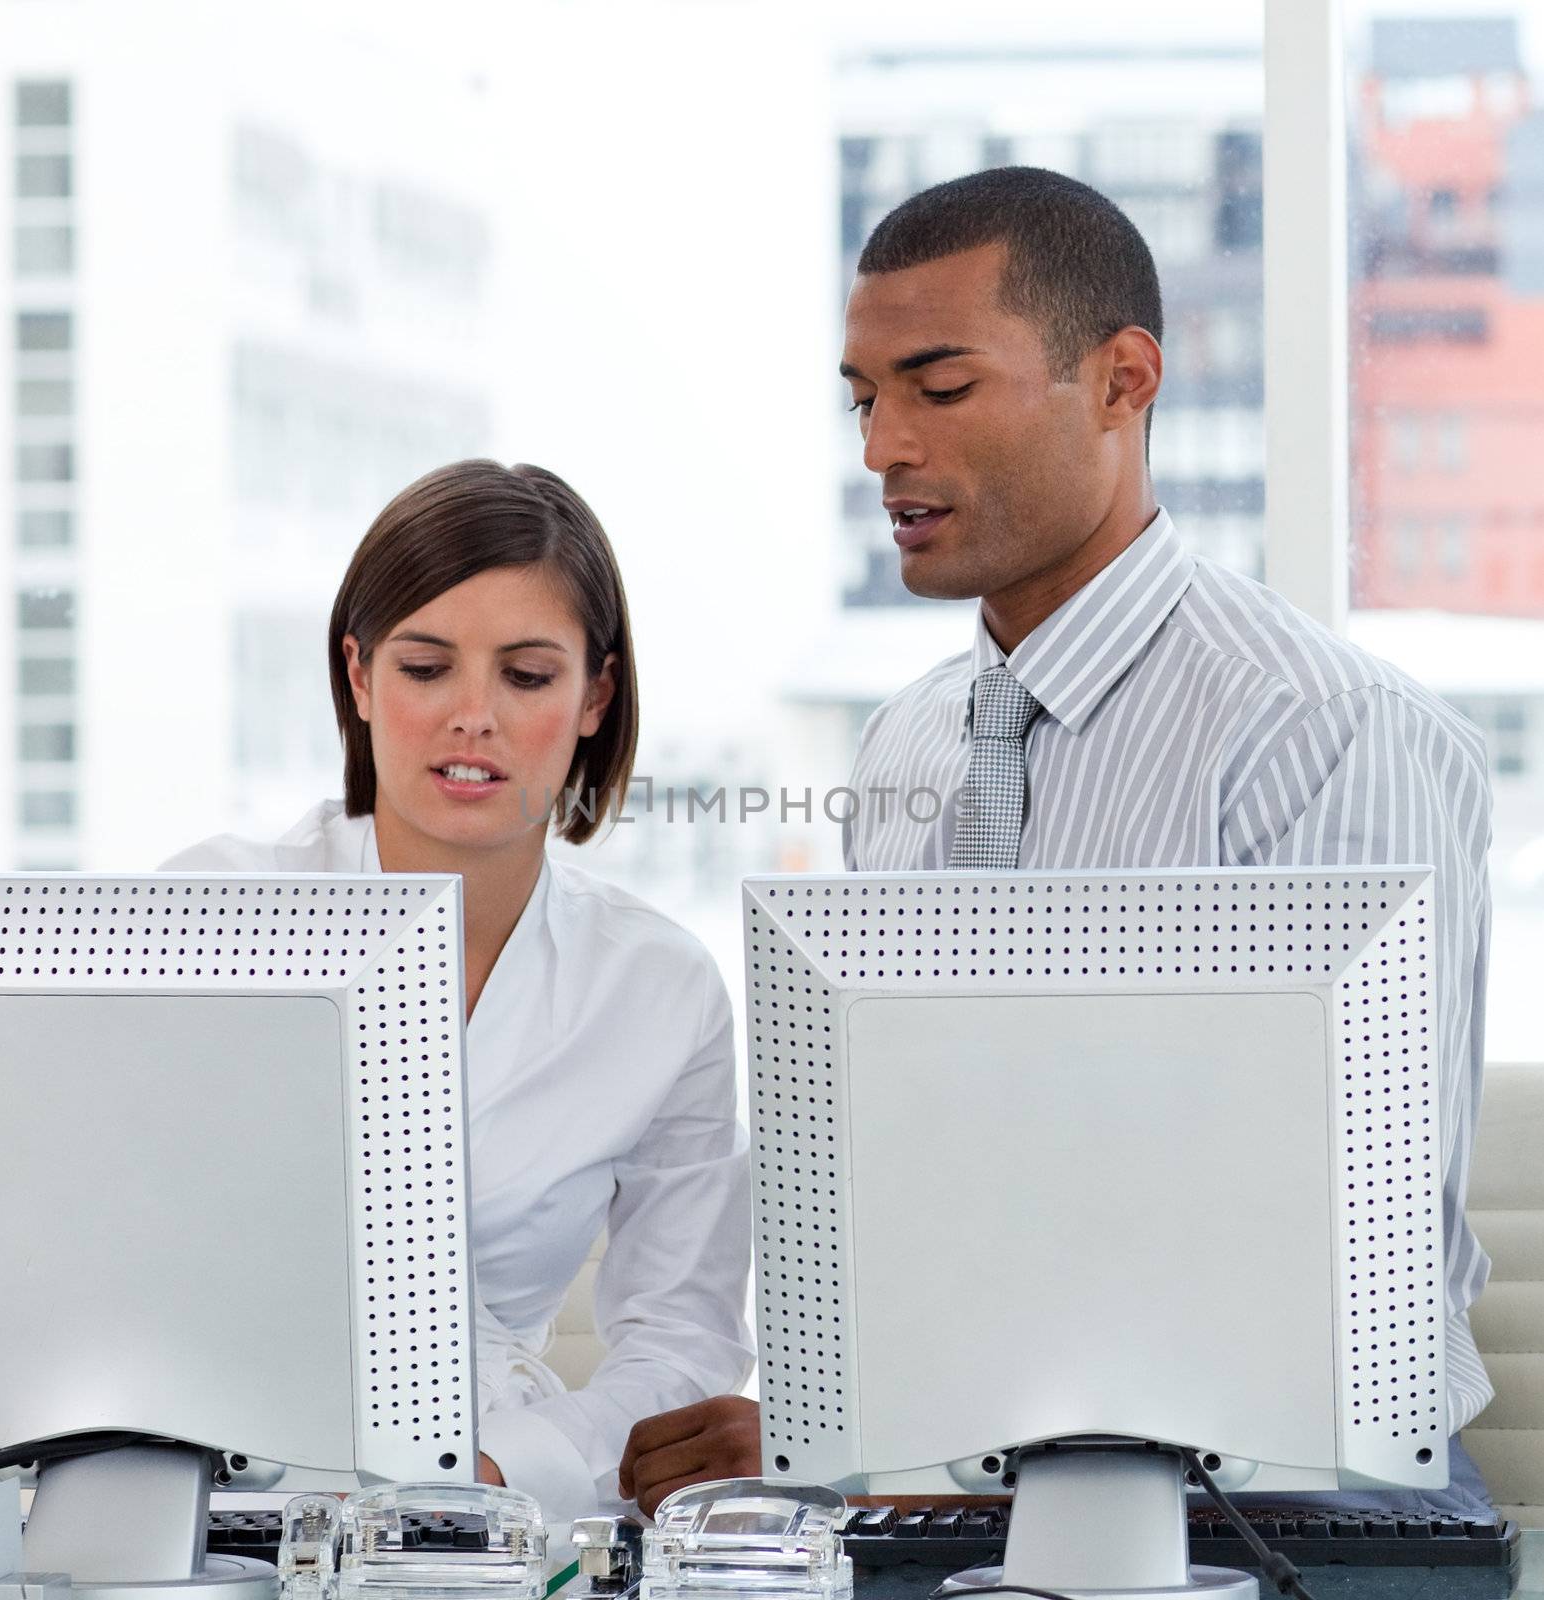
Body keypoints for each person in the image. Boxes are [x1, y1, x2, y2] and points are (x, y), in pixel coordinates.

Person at [621, 165, 1496, 1519]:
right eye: (864, 401)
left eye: (939, 387)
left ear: (1122, 379)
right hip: (968, 1463)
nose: (880, 451)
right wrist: (827, 1434)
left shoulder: (1318, 732)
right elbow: (904, 1196)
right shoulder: (905, 746)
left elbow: (1339, 1278)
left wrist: (961, 1468)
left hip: (1305, 1485)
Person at [164, 459, 753, 1519]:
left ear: (594, 696)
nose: (470, 716)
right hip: (200, 1489)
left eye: (526, 677)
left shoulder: (656, 987)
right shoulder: (216, 909)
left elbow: (683, 1344)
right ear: (358, 676)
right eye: (427, 666)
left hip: (487, 1518)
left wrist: (503, 1469)